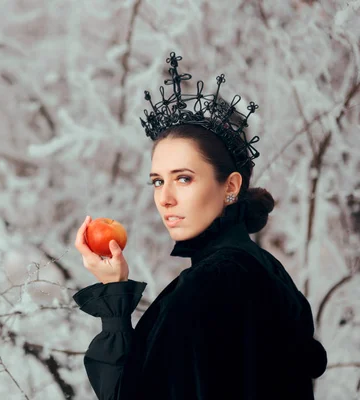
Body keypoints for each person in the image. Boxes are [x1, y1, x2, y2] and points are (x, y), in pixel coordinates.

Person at [72, 53, 328, 400]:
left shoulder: (210, 282)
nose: (165, 198)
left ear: (231, 187)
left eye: (184, 178)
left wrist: (116, 307)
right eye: (158, 181)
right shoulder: (261, 268)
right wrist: (114, 287)